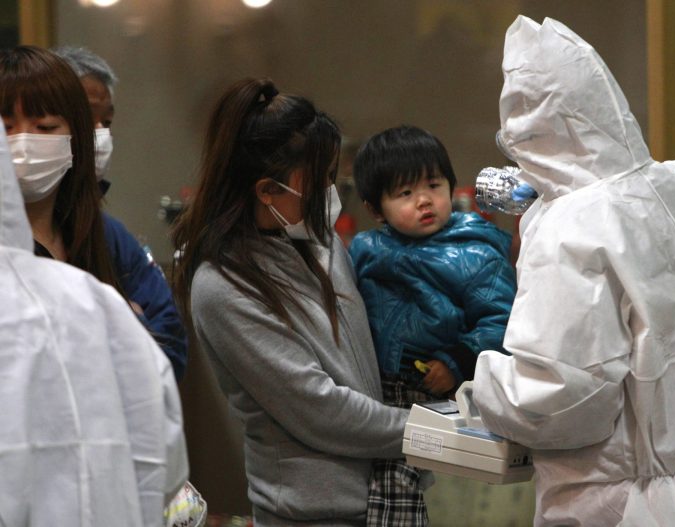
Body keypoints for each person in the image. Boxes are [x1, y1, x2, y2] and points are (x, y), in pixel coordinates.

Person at [471, 16, 675, 526]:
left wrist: (484, 385)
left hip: (621, 506)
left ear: (525, 129)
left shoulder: (573, 224)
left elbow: (562, 400)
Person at [171, 77, 409, 526]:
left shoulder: (320, 241)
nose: (329, 190)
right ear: (266, 190)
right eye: (318, 180)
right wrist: (428, 433)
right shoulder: (223, 285)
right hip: (309, 514)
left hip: (382, 499)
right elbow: (319, 409)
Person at [0, 123, 188, 525]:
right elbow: (160, 457)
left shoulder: (101, 254)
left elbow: (169, 343)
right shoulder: (90, 300)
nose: (26, 140)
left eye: (44, 125)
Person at [348, 125, 517, 525]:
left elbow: (503, 321)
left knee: (417, 494)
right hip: (372, 390)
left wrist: (457, 359)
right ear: (376, 208)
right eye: (405, 193)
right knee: (377, 495)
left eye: (434, 186)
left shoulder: (475, 252)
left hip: (435, 390)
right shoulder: (365, 250)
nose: (424, 200)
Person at [53, 45, 188, 381]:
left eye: (107, 122)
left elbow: (171, 349)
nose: (99, 134)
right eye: (86, 118)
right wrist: (124, 321)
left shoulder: (109, 234)